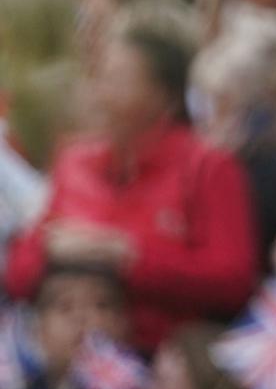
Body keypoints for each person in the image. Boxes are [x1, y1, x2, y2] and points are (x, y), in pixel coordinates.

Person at [6, 24, 258, 351]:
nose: (98, 94)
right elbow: (17, 273)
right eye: (97, 77)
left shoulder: (209, 167)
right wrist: (50, 251)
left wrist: (125, 256)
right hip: (63, 365)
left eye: (116, 81)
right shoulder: (74, 161)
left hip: (159, 357)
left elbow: (232, 281)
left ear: (164, 97)